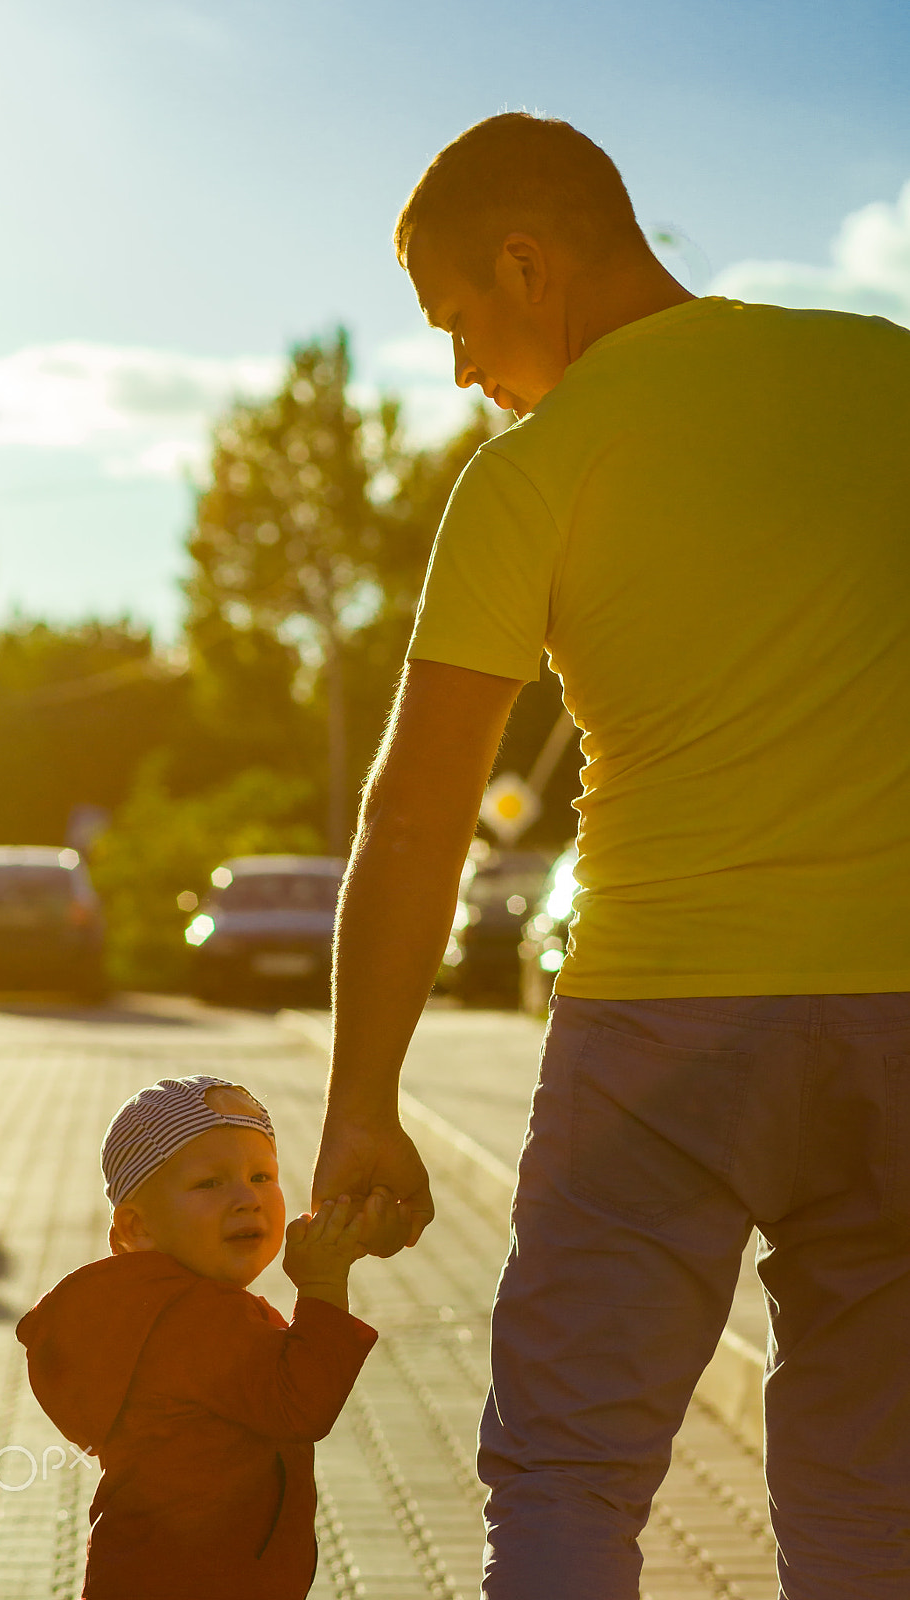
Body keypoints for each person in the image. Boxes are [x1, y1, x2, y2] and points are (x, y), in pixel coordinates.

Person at [311, 111, 910, 1599]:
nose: (457, 369)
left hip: (661, 1025)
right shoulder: (886, 375)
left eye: (455, 319)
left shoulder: (535, 471)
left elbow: (415, 810)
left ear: (526, 262)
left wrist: (364, 1102)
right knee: (873, 1484)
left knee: (569, 1473)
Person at [17, 1074, 383, 1600]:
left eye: (262, 1176)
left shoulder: (156, 1306)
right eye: (210, 1183)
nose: (247, 1199)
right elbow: (302, 1402)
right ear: (135, 1228)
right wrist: (323, 1285)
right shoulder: (190, 1316)